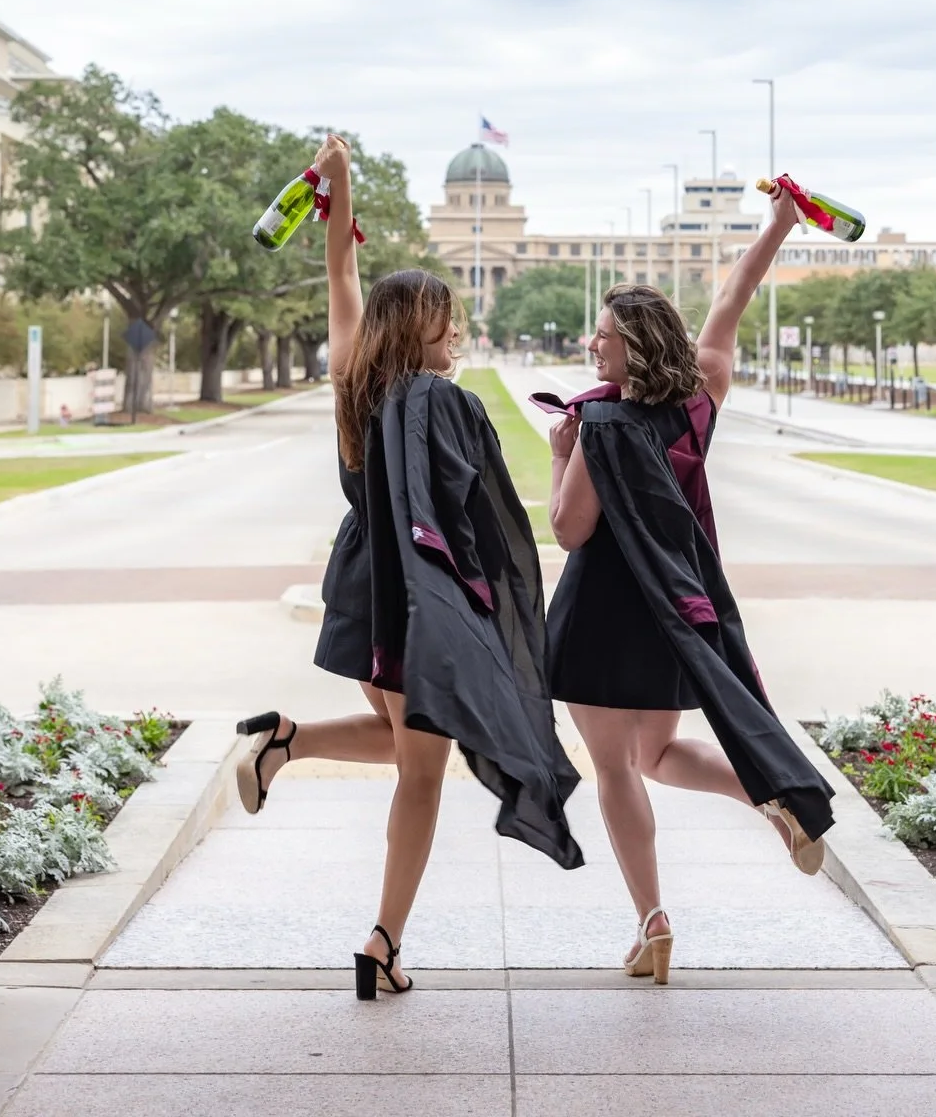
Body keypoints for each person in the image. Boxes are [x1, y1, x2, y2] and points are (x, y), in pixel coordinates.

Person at [236, 134, 579, 1000]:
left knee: (406, 745)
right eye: (445, 318)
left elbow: (341, 283)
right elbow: (469, 518)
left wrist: (338, 189)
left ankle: (285, 742)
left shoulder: (354, 384)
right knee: (421, 772)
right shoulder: (440, 403)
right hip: (415, 596)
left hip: (361, 584)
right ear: (418, 327)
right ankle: (382, 943)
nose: (457, 330)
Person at [544, 179, 834, 984]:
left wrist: (561, 455)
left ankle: (652, 921)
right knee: (661, 751)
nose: (592, 346)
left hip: (601, 611)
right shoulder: (702, 394)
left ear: (633, 345)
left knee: (615, 769)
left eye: (603, 338)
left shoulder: (599, 425)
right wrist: (778, 225)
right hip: (676, 606)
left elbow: (570, 531)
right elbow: (732, 298)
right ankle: (766, 797)